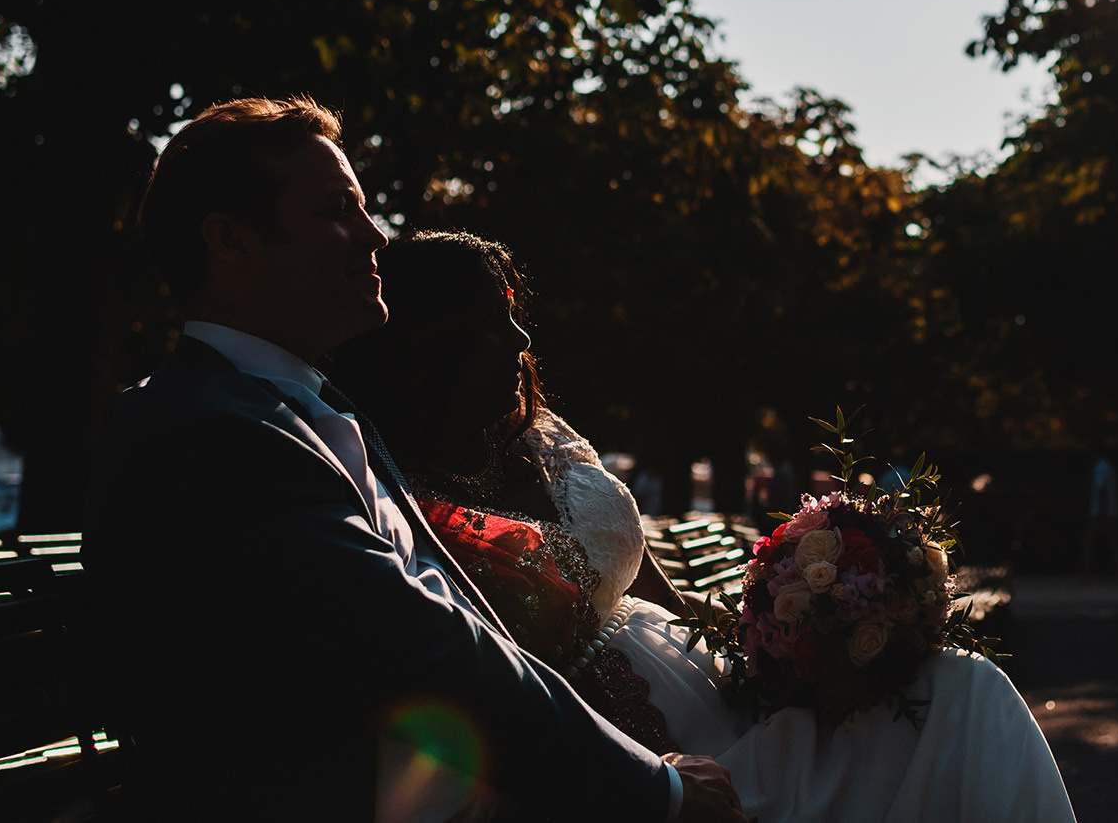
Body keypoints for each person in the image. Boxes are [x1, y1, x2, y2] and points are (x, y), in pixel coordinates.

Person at [86, 96, 746, 823]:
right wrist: (661, 792)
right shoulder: (208, 431)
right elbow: (425, 650)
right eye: (338, 209)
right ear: (230, 240)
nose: (373, 234)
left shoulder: (295, 406)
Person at [332, 230, 1077, 823]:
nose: (523, 338)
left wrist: (787, 634)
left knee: (963, 689)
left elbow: (651, 578)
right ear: (434, 347)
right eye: (495, 324)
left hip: (707, 676)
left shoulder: (538, 437)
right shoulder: (398, 495)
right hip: (626, 741)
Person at [1082, 451, 1118, 574]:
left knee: (1091, 540)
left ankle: (1087, 570)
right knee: (1111, 540)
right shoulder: (1107, 466)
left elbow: (1102, 489)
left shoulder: (1102, 467)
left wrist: (1101, 512)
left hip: (1102, 511)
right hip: (1107, 510)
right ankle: (1117, 568)